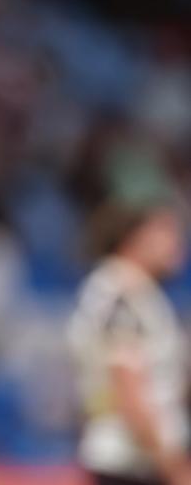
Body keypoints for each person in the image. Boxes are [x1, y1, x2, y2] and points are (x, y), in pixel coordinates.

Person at [67, 201, 191, 485]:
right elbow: (130, 390)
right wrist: (173, 468)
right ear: (135, 235)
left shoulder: (133, 291)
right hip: (130, 463)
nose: (177, 243)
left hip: (139, 460)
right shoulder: (121, 294)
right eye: (166, 231)